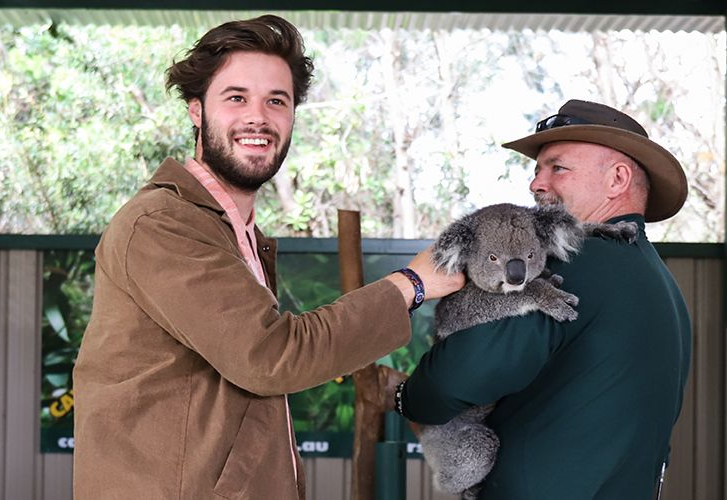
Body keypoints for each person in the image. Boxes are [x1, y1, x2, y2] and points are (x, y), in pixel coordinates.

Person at [72, 15, 462, 500]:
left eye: (276, 101)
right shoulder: (162, 224)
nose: (258, 117)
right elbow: (272, 356)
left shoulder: (233, 231)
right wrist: (412, 283)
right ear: (196, 110)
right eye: (236, 98)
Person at [393, 99, 693, 499]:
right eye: (537, 170)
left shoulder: (579, 263)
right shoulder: (664, 286)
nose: (536, 183)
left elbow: (458, 377)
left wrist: (407, 396)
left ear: (618, 179)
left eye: (558, 167)